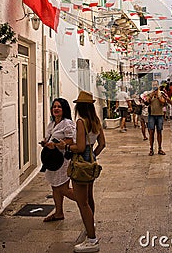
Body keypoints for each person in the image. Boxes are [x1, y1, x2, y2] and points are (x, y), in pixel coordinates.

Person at [65, 90, 106, 253]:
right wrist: (93, 156)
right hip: (91, 163)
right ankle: (91, 225)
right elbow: (102, 143)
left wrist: (66, 146)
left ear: (79, 107)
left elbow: (80, 147)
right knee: (89, 197)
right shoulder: (96, 121)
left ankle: (92, 240)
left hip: (81, 164)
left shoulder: (81, 122)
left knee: (82, 202)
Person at [41, 98, 76, 222]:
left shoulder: (67, 123)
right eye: (54, 106)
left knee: (63, 188)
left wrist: (55, 145)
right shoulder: (51, 124)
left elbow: (71, 140)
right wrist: (46, 143)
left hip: (62, 160)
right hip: (52, 160)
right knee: (55, 187)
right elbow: (49, 138)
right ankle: (59, 213)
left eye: (59, 107)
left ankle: (84, 201)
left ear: (64, 109)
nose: (56, 109)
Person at [146, 85, 167, 156]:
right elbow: (147, 102)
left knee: (159, 131)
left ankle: (160, 148)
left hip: (159, 115)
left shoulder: (161, 94)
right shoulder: (149, 94)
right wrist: (151, 96)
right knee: (151, 132)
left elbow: (163, 102)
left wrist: (158, 96)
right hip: (151, 115)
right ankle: (151, 149)